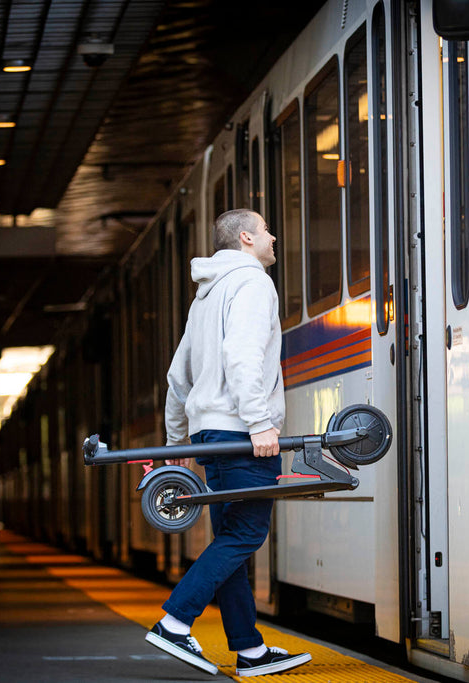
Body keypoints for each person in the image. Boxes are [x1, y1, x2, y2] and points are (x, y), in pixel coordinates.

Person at [145, 209, 311, 677]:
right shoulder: (253, 283)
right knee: (246, 534)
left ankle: (250, 650)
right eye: (266, 230)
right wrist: (259, 422)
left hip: (210, 434)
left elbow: (178, 378)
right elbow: (242, 355)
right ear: (245, 238)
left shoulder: (206, 294)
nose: (273, 236)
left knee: (231, 538)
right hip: (240, 432)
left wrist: (176, 444)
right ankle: (175, 622)